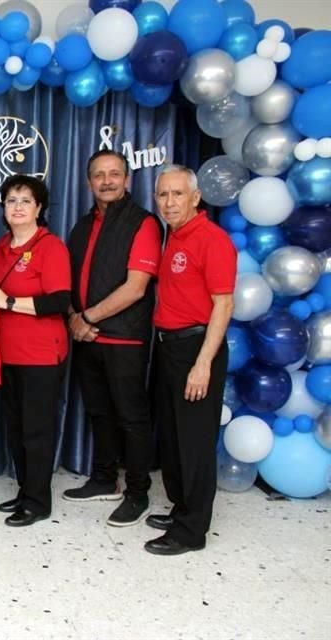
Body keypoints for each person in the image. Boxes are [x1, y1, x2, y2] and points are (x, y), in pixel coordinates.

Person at [64, 150, 163, 527]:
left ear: (127, 180)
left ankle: (137, 492)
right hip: (87, 338)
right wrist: (76, 319)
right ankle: (105, 479)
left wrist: (86, 318)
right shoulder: (82, 225)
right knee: (98, 413)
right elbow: (70, 281)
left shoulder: (144, 223)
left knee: (132, 419)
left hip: (124, 340)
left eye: (114, 174)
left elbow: (136, 288)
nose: (106, 181)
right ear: (89, 182)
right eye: (99, 175)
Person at [145, 165, 235, 556]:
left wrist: (203, 364)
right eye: (163, 195)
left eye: (177, 194)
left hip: (197, 350)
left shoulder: (212, 240)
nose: (169, 202)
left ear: (196, 198)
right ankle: (182, 508)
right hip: (169, 347)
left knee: (194, 442)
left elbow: (224, 304)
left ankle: (190, 531)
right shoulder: (174, 237)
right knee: (172, 437)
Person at [0, 175, 71, 527]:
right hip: (6, 354)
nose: (17, 207)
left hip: (41, 355)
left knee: (36, 430)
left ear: (39, 208)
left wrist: (9, 301)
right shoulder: (1, 247)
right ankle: (25, 490)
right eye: (11, 200)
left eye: (25, 201)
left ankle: (38, 501)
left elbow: (60, 300)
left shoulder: (51, 247)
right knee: (15, 428)